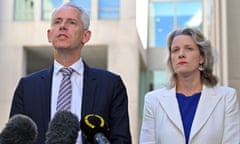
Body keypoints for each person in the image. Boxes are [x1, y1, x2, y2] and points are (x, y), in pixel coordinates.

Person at [9, 2, 131, 144]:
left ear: (85, 36)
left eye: (71, 22)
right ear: (49, 35)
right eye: (57, 22)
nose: (62, 26)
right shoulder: (27, 87)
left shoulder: (110, 85)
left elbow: (121, 139)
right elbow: (14, 139)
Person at [139, 27, 240, 144]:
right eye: (175, 50)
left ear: (202, 57)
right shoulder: (152, 100)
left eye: (189, 49)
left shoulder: (226, 97)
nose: (181, 54)